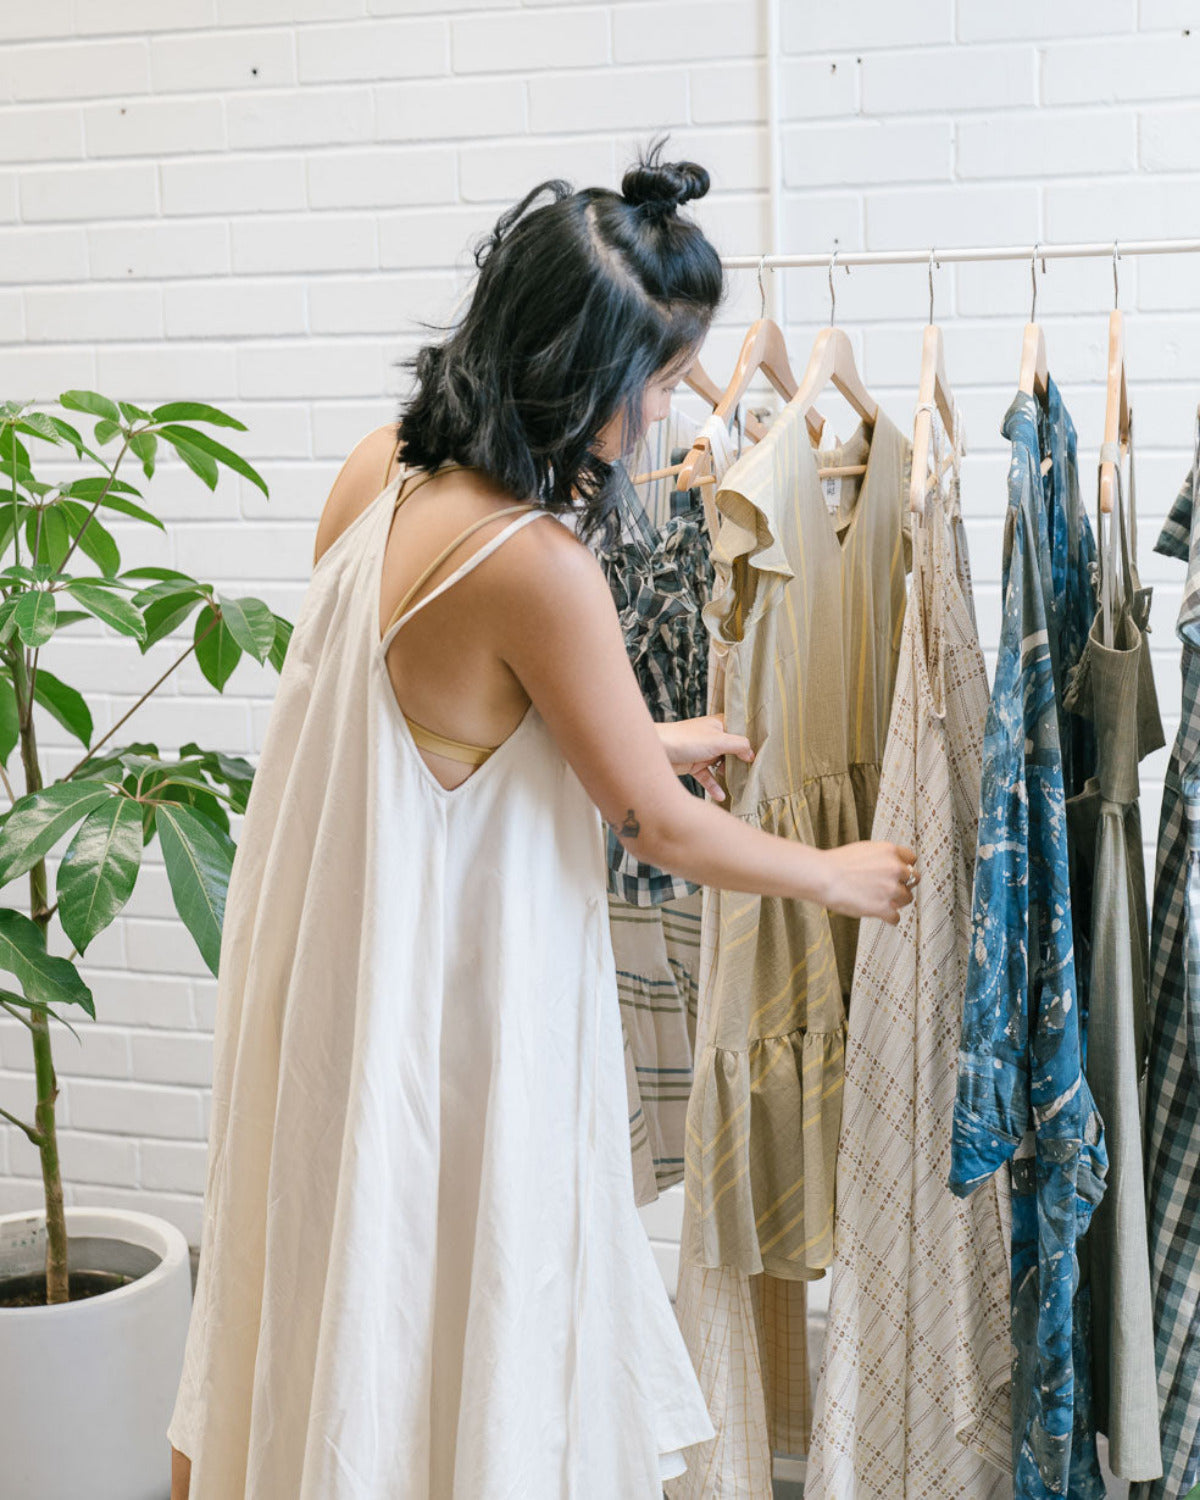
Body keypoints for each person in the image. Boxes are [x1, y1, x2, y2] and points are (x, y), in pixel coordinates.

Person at [166, 144, 918, 1500]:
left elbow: (419, 714)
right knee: (465, 1306)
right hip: (457, 1017)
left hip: (333, 983)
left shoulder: (379, 469)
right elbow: (656, 826)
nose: (668, 408)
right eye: (658, 376)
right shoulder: (537, 562)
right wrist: (836, 873)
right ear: (580, 373)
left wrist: (649, 736)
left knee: (346, 1301)